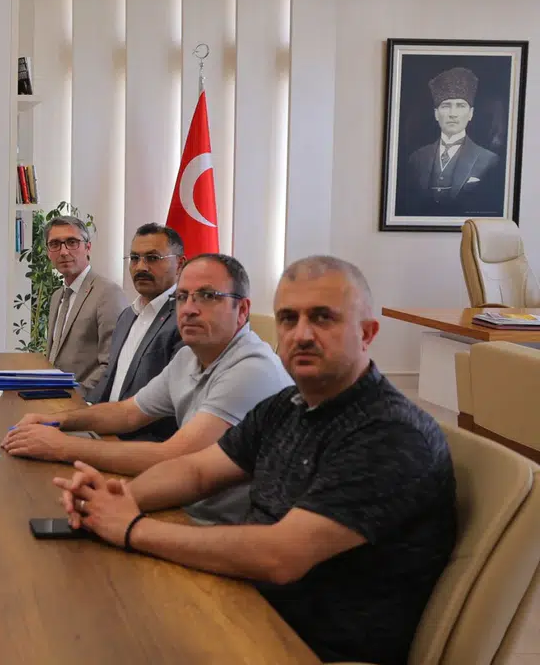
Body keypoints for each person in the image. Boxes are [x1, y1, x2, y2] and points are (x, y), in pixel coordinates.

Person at [52, 256, 457, 665]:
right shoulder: (288, 405)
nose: (302, 334)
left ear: (366, 333)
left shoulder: (389, 433)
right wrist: (118, 500)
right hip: (246, 605)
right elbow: (197, 471)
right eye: (288, 319)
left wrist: (132, 528)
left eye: (323, 318)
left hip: (306, 646)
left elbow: (280, 556)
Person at [5, 253, 290, 524]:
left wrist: (61, 446)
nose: (189, 309)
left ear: (242, 310)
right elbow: (128, 413)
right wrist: (56, 421)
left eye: (207, 296)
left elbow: (175, 456)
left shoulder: (252, 369)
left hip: (223, 530)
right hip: (180, 506)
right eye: (182, 297)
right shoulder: (188, 356)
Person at [85, 223, 187, 444]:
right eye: (134, 258)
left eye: (152, 258)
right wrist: (84, 411)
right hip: (105, 431)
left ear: (180, 264)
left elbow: (173, 405)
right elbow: (109, 378)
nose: (141, 267)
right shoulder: (127, 315)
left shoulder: (186, 320)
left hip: (143, 444)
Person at [400, 66, 503, 218]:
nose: (453, 114)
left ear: (471, 113)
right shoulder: (417, 158)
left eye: (460, 106)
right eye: (446, 106)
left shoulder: (489, 161)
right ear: (436, 114)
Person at [42, 215, 127, 397]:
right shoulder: (57, 296)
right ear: (48, 252)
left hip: (86, 403)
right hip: (52, 399)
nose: (64, 252)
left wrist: (75, 395)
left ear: (88, 247)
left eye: (72, 242)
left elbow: (112, 363)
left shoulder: (108, 293)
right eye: (55, 244)